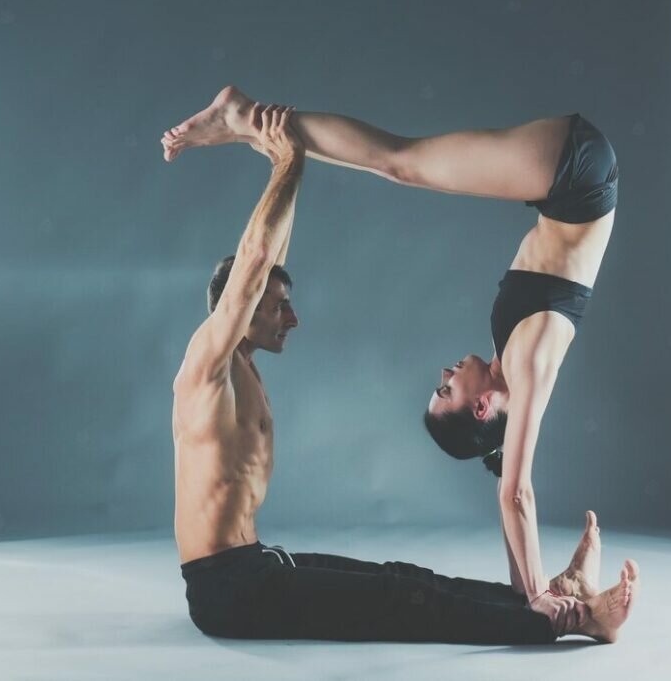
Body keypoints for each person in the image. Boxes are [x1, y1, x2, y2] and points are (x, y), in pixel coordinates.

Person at [166, 94, 638, 644]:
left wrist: (287, 163)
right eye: (277, 307)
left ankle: (554, 601)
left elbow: (263, 265)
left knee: (406, 584)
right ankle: (564, 615)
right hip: (228, 591)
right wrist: (285, 159)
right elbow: (252, 268)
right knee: (403, 598)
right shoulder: (211, 361)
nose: (292, 318)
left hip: (246, 569)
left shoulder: (238, 361)